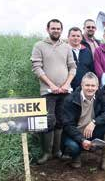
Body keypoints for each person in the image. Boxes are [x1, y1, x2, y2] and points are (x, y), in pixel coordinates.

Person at [31, 19, 76, 164]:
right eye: (53, 28)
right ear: (47, 29)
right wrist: (51, 85)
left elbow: (72, 67)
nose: (56, 30)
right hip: (48, 91)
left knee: (61, 120)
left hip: (65, 90)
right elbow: (37, 68)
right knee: (49, 120)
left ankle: (57, 151)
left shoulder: (66, 47)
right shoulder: (39, 45)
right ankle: (46, 152)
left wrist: (66, 84)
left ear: (62, 30)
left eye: (58, 28)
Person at [62, 72, 105, 170]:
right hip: (75, 133)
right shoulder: (70, 100)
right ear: (82, 85)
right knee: (72, 147)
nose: (90, 88)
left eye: (93, 85)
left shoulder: (100, 95)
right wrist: (82, 140)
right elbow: (68, 125)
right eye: (87, 85)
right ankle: (76, 157)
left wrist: (94, 122)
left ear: (97, 87)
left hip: (91, 131)